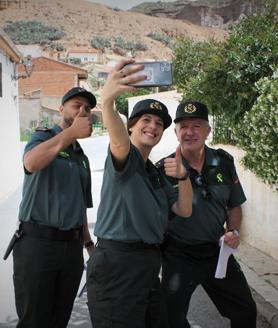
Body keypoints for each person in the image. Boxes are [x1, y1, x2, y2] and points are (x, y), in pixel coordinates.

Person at [86, 58, 193, 328]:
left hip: (146, 267)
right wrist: (108, 103)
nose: (153, 127)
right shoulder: (126, 157)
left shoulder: (154, 172)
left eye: (159, 123)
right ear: (131, 125)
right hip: (118, 266)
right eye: (146, 120)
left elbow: (184, 209)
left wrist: (183, 176)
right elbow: (118, 140)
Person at [156, 101, 257, 328]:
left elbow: (234, 205)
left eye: (197, 126)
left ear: (208, 131)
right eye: (184, 126)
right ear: (176, 132)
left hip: (216, 252)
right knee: (171, 319)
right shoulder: (163, 169)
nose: (190, 132)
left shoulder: (223, 162)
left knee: (246, 311)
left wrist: (233, 231)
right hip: (178, 254)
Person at [12, 87, 96, 328]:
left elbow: (79, 207)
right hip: (38, 246)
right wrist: (69, 134)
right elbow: (31, 162)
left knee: (60, 319)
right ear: (61, 109)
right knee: (34, 320)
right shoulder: (43, 137)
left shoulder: (81, 156)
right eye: (76, 105)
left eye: (87, 108)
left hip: (71, 249)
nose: (82, 110)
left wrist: (89, 246)